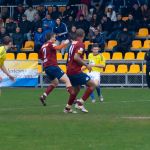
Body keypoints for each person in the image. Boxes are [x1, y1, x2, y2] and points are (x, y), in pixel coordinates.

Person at [39, 32, 77, 113]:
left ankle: (44, 95)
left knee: (55, 83)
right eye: (54, 37)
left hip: (46, 67)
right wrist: (65, 43)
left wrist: (47, 61)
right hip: (52, 66)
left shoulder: (43, 46)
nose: (55, 38)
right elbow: (58, 47)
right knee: (67, 80)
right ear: (51, 38)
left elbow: (41, 57)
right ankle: (73, 98)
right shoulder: (51, 44)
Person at [66, 28, 96, 113]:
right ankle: (80, 103)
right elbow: (76, 57)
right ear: (83, 35)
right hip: (75, 71)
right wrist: (87, 65)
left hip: (70, 70)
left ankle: (67, 108)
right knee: (93, 85)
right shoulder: (80, 44)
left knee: (77, 89)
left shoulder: (72, 43)